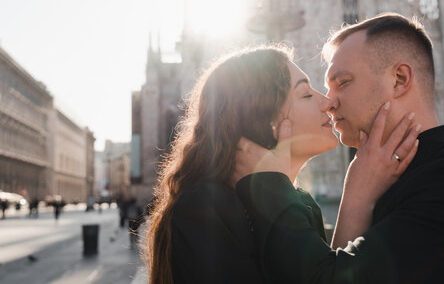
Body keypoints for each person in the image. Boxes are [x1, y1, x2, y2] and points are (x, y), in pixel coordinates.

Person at [233, 13, 444, 283]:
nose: (329, 101)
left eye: (343, 82)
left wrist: (270, 185)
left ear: (399, 80)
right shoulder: (395, 180)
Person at [145, 45, 419, 284]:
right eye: (306, 94)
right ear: (267, 121)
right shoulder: (205, 207)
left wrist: (358, 192)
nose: (328, 103)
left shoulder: (299, 203)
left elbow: (327, 274)